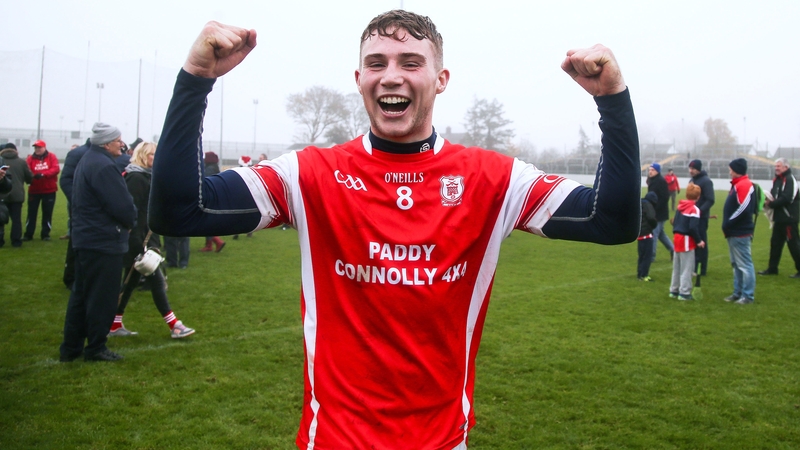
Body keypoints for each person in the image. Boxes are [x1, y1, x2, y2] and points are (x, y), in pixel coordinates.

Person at [150, 11, 640, 448]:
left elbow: (611, 220)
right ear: (359, 77)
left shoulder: (494, 180)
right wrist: (196, 79)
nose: (392, 76)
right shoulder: (308, 175)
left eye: (410, 62)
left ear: (440, 78)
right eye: (378, 62)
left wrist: (613, 100)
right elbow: (180, 212)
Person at [59, 122, 137, 363]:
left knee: (81, 295)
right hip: (103, 241)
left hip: (86, 238)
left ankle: (71, 348)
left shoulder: (88, 160)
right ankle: (96, 347)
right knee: (102, 297)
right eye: (118, 140)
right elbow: (121, 205)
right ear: (106, 143)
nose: (121, 144)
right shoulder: (104, 166)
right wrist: (131, 219)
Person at [109, 142, 195, 339]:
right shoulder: (137, 178)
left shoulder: (148, 177)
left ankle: (113, 323)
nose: (155, 159)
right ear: (142, 156)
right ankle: (175, 325)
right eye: (152, 155)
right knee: (155, 279)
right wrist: (139, 242)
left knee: (130, 282)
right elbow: (132, 212)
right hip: (139, 238)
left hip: (148, 235)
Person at [722, 158, 756, 304]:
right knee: (736, 264)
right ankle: (738, 292)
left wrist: (729, 223)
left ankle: (747, 295)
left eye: (731, 169)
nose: (729, 171)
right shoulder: (738, 184)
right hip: (734, 231)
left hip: (740, 231)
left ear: (736, 170)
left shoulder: (743, 185)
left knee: (745, 265)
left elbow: (744, 209)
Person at [758, 157, 800, 278]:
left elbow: (788, 198)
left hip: (788, 219)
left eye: (779, 166)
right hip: (779, 218)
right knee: (775, 244)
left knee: (794, 244)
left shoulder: (789, 179)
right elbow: (773, 195)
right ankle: (772, 269)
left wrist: (771, 204)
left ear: (786, 167)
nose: (776, 168)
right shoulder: (778, 180)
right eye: (776, 166)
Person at [60, 139, 91, 288]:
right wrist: (77, 200)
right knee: (76, 240)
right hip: (80, 206)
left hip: (95, 207)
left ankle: (86, 276)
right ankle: (71, 276)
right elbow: (65, 179)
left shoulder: (106, 154)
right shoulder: (77, 154)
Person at [669, 184, 705, 300]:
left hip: (676, 237)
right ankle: (684, 292)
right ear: (698, 197)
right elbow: (693, 227)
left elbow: (675, 222)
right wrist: (699, 241)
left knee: (677, 266)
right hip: (686, 240)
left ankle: (674, 290)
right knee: (687, 267)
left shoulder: (680, 206)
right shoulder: (694, 210)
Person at [24, 139, 60, 241]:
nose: (37, 149)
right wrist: (33, 176)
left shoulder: (51, 156)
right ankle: (28, 234)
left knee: (47, 213)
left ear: (44, 147)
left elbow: (55, 169)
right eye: (36, 147)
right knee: (31, 213)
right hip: (34, 190)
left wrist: (44, 174)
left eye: (39, 147)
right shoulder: (30, 158)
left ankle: (45, 234)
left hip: (49, 190)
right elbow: (27, 170)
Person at [0, 143, 33, 248]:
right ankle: (16, 241)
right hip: (17, 194)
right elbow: (29, 178)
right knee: (16, 219)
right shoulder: (21, 162)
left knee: (0, 218)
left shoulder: (1, 161)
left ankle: (0, 240)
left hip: (2, 194)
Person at [688, 159, 714, 275]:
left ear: (698, 169)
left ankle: (702, 268)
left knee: (701, 241)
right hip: (691, 215)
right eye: (690, 168)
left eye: (693, 169)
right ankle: (693, 266)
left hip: (701, 218)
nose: (691, 171)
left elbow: (710, 199)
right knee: (693, 241)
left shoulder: (706, 181)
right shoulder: (692, 180)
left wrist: (699, 211)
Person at [199, 151, 227, 251]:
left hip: (209, 198)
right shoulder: (214, 167)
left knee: (204, 221)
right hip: (214, 197)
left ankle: (217, 241)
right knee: (207, 221)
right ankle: (210, 245)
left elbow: (204, 181)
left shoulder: (209, 169)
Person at [647, 162, 674, 261]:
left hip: (659, 213)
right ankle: (673, 249)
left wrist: (655, 208)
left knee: (654, 233)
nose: (650, 172)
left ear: (657, 171)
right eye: (649, 170)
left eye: (652, 170)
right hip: (654, 211)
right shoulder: (652, 180)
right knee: (661, 234)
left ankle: (651, 256)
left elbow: (665, 197)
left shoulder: (661, 181)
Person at [637, 191, 658, 281]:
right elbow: (651, 218)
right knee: (647, 256)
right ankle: (644, 275)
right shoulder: (648, 205)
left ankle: (639, 274)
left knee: (641, 256)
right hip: (647, 235)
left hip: (639, 234)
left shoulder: (639, 204)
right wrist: (654, 226)